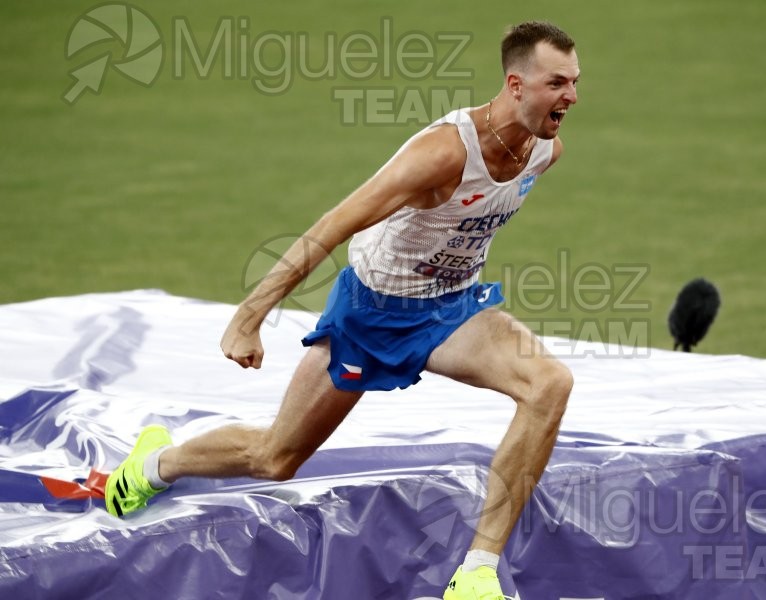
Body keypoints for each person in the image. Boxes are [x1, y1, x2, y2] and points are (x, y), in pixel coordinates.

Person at [105, 21, 579, 600]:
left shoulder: (544, 152)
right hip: (372, 312)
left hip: (452, 310)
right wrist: (249, 316)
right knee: (276, 457)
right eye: (558, 83)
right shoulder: (440, 154)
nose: (572, 97)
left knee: (549, 383)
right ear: (515, 84)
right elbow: (330, 227)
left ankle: (475, 575)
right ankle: (157, 463)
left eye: (575, 82)